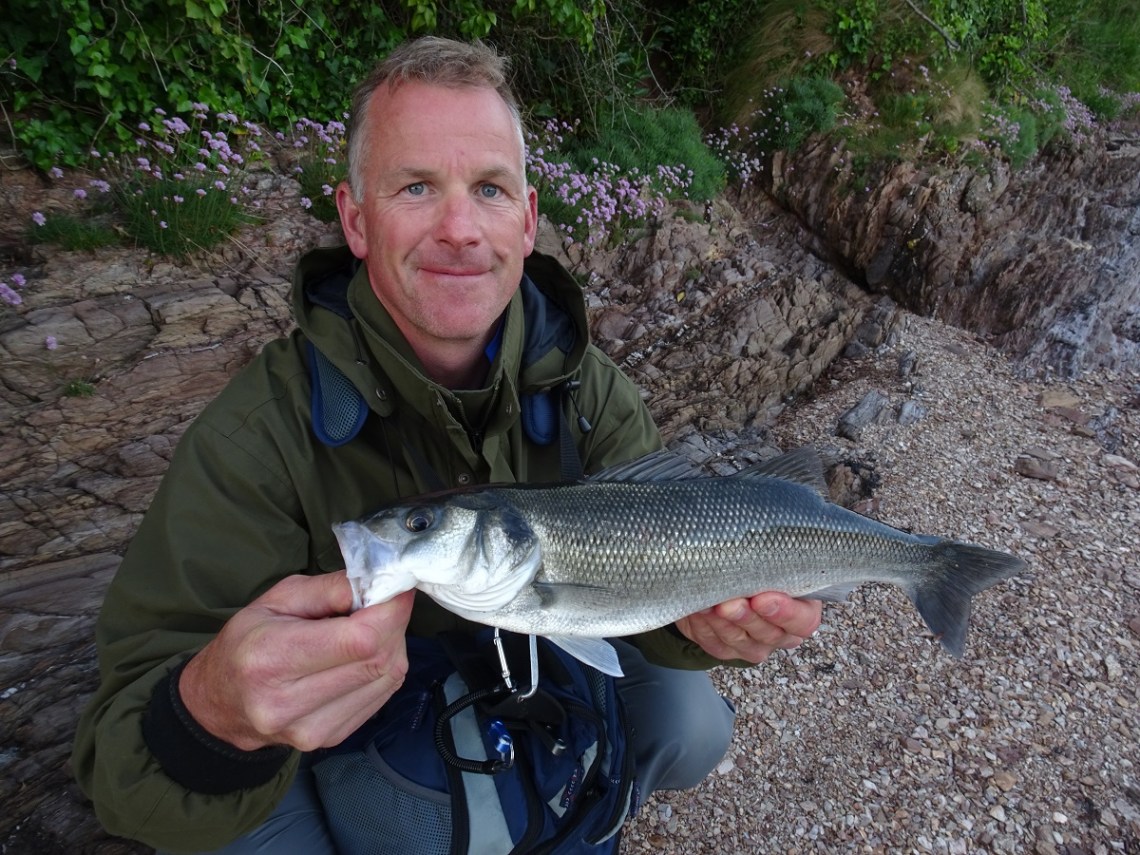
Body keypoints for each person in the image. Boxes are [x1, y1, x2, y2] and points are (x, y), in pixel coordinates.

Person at [72, 36, 822, 853]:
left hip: (531, 641)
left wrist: (702, 624)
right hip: (342, 724)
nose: (460, 229)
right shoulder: (255, 437)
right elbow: (118, 759)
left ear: (527, 220)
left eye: (490, 189)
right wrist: (216, 713)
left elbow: (633, 588)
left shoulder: (588, 387)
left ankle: (565, 808)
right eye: (417, 186)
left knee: (692, 721)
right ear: (355, 219)